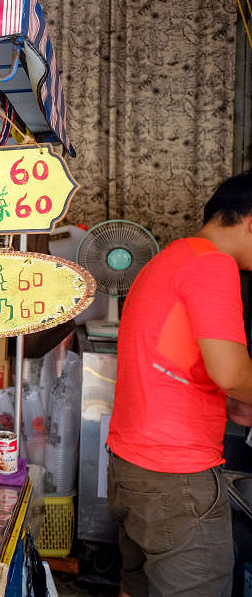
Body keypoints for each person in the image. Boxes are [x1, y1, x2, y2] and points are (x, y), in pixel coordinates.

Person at [107, 170, 252, 597]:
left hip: (129, 466)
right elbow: (230, 371)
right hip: (176, 478)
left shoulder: (168, 258)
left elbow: (175, 362)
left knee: (136, 586)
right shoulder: (213, 265)